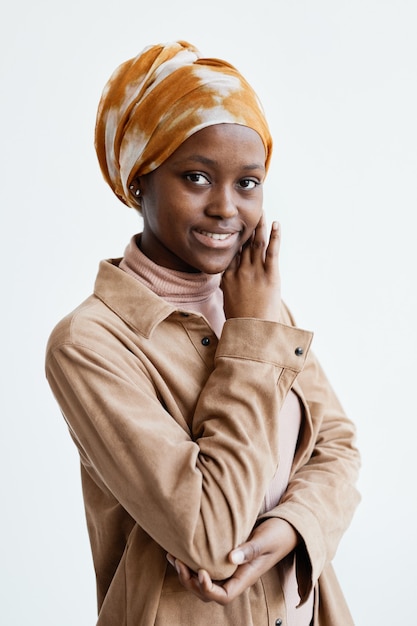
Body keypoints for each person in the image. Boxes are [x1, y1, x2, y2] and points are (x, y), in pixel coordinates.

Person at [45, 41, 361, 626]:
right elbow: (210, 532)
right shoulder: (90, 343)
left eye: (248, 183)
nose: (226, 208)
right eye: (196, 177)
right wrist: (249, 333)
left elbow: (338, 446)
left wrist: (293, 529)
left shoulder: (258, 304)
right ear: (139, 180)